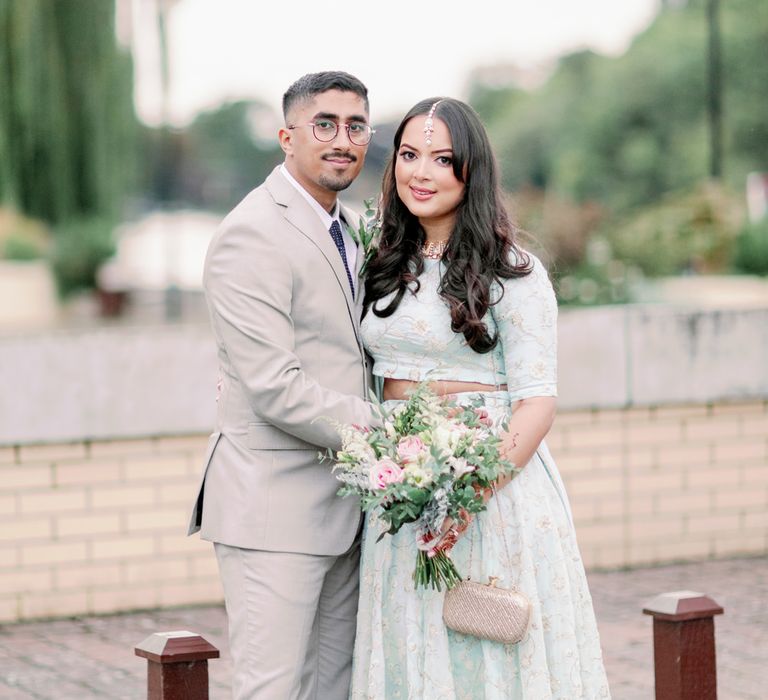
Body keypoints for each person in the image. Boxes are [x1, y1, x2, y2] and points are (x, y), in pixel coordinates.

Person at [352, 98, 611, 698]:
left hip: (491, 488)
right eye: (409, 155)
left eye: (442, 159)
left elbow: (537, 404)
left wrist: (470, 494)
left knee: (485, 649)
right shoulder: (383, 262)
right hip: (402, 494)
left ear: (472, 170)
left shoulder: (513, 272)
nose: (421, 172)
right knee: (412, 648)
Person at [187, 71, 377, 700]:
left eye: (355, 126)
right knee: (272, 690)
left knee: (335, 687)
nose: (341, 140)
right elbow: (276, 386)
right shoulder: (252, 233)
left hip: (346, 503)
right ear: (286, 136)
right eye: (324, 124)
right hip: (274, 508)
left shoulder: (346, 226)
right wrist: (395, 434)